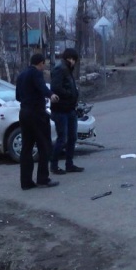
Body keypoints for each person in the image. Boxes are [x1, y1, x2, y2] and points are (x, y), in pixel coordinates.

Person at [15, 53, 59, 190]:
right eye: (43, 64)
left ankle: (26, 181)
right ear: (41, 63)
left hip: (24, 113)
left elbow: (17, 96)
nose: (43, 66)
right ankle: (42, 179)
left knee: (26, 148)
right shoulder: (36, 74)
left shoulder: (21, 75)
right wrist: (51, 95)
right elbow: (42, 87)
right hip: (37, 114)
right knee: (44, 145)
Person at [49, 47, 83, 175]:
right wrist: (70, 94)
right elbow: (56, 88)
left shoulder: (67, 69)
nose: (74, 62)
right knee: (62, 138)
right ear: (70, 59)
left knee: (72, 137)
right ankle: (54, 165)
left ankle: (69, 164)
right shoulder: (61, 69)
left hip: (69, 108)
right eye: (74, 59)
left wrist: (74, 93)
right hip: (61, 109)